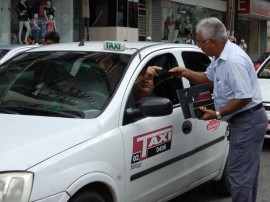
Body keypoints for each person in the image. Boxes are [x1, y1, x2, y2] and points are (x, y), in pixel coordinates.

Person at [169, 17, 267, 202]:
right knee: (246, 176)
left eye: (200, 42)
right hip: (246, 121)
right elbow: (208, 78)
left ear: (212, 41)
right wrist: (187, 73)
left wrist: (218, 114)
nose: (199, 46)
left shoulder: (233, 61)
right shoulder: (219, 57)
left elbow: (244, 96)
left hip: (248, 122)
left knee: (240, 178)